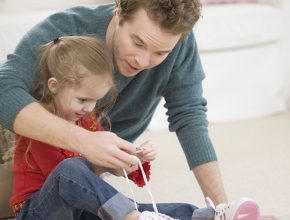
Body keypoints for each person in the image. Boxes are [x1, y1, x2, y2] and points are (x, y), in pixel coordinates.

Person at [0, 0, 261, 219]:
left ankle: (215, 215)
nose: (143, 61)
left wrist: (129, 159)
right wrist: (85, 142)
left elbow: (190, 115)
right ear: (119, 12)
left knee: (154, 209)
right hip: (22, 162)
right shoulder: (67, 31)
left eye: (160, 53)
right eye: (137, 42)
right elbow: (4, 90)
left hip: (86, 181)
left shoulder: (178, 43)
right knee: (75, 176)